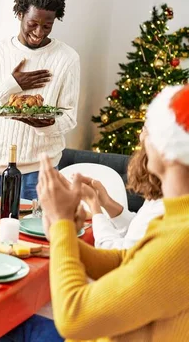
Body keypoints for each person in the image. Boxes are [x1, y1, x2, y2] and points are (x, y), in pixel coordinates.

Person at [36, 84, 189, 340]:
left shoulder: (181, 238)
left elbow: (74, 318)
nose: (142, 139)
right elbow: (126, 259)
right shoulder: (176, 213)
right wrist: (61, 236)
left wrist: (63, 221)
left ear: (168, 151)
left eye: (150, 131)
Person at [0, 0, 80, 200]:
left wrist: (47, 124)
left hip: (41, 170)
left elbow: (70, 117)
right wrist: (12, 85)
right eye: (32, 24)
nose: (39, 32)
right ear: (20, 14)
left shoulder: (67, 58)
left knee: (34, 234)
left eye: (47, 26)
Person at [76, 135, 164, 249]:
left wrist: (94, 205)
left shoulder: (164, 208)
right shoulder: (160, 198)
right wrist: (107, 202)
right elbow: (138, 229)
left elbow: (115, 253)